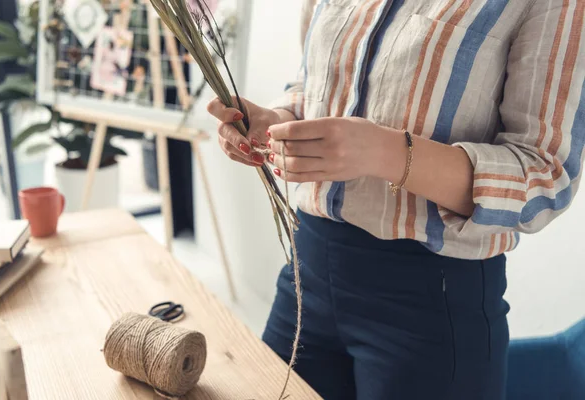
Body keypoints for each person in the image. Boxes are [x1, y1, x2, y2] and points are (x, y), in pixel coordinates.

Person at [207, 0, 585, 399]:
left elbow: (546, 174)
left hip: (431, 303)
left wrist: (383, 151)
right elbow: (314, 85)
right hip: (307, 273)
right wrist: (279, 121)